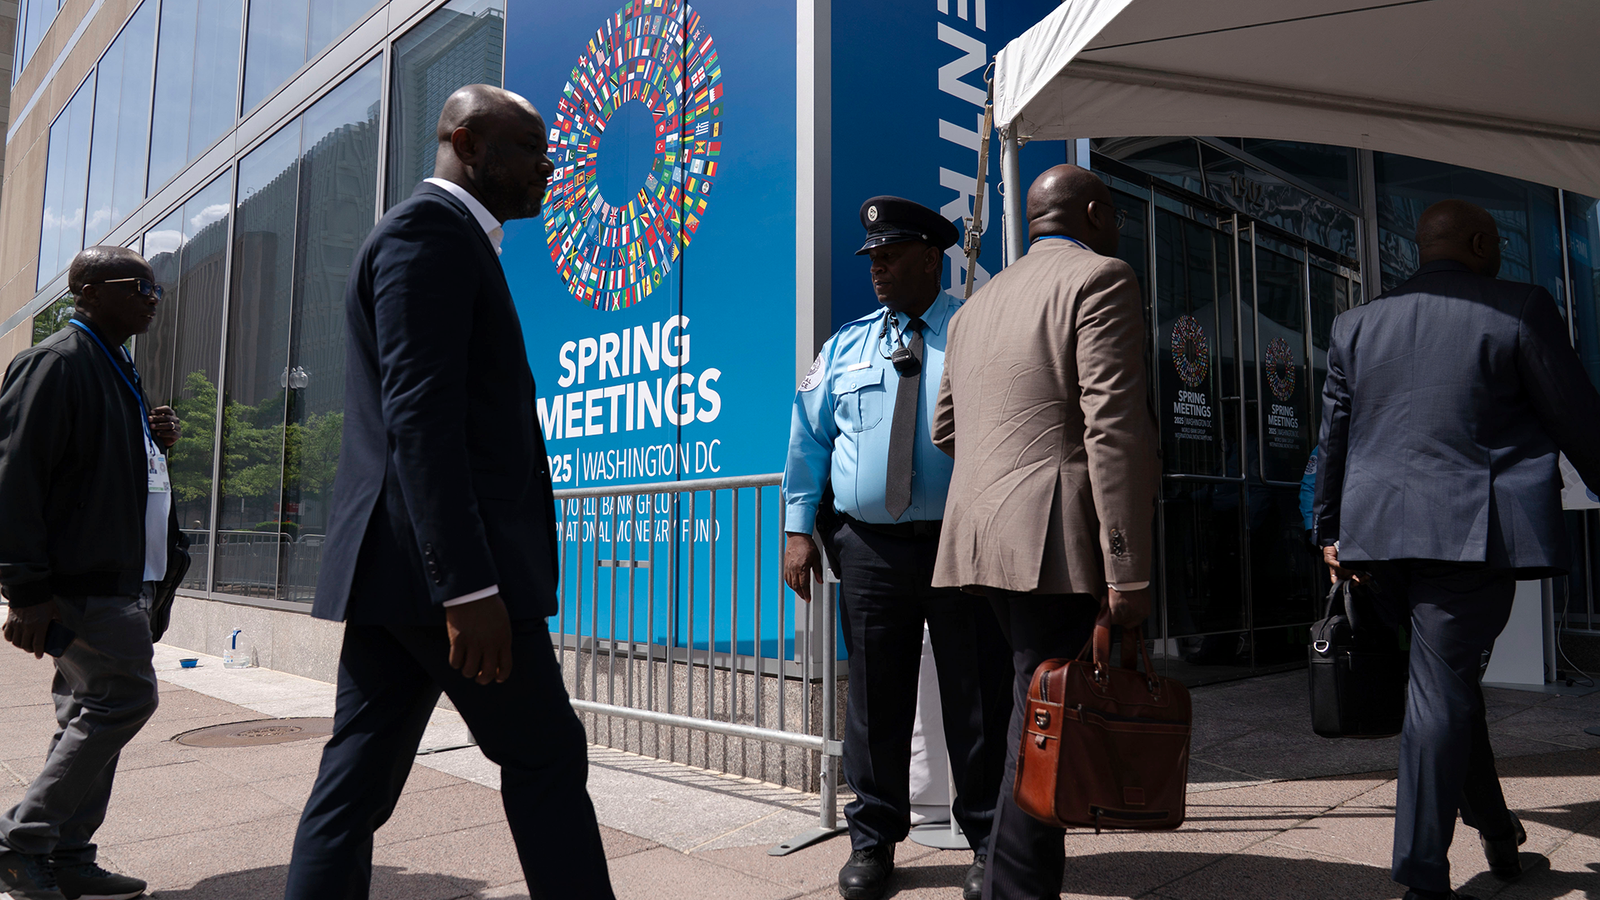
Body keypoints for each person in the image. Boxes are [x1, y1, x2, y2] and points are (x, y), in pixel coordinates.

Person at [282, 85, 615, 899]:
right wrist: (467, 587)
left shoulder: (446, 238)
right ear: (467, 144)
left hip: (397, 578)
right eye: (531, 148)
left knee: (355, 784)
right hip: (449, 581)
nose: (548, 166)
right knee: (545, 756)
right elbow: (421, 421)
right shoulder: (428, 234)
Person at [1315, 199, 1600, 900]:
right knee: (1441, 691)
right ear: (1478, 242)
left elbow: (1334, 437)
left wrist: (1327, 529)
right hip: (1468, 533)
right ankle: (1422, 876)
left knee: (1446, 685)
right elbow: (1578, 419)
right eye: (1496, 240)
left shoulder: (1357, 323)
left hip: (1376, 536)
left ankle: (1499, 836)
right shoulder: (1520, 307)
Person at [932, 164, 1159, 900]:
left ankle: (1003, 878)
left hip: (977, 540)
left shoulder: (973, 307)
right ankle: (1015, 890)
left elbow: (945, 430)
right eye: (1115, 212)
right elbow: (1113, 431)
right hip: (1052, 543)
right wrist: (1128, 571)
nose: (1118, 226)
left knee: (1027, 715)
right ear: (1094, 212)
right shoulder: (1102, 279)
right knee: (1044, 730)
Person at [784, 197, 1014, 900]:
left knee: (977, 697)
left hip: (958, 544)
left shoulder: (974, 333)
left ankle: (988, 840)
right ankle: (873, 841)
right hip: (870, 549)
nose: (876, 269)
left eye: (889, 257)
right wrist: (797, 528)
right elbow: (809, 437)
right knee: (874, 700)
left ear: (931, 260)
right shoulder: (847, 346)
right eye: (872, 258)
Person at [0, 246, 188, 900]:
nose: (153, 297)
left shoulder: (116, 365)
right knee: (125, 696)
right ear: (88, 292)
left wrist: (152, 440)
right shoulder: (55, 363)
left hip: (122, 573)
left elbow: (96, 468)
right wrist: (25, 591)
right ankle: (20, 841)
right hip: (82, 580)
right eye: (139, 285)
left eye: (155, 287)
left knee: (86, 708)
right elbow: (14, 481)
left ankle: (67, 856)